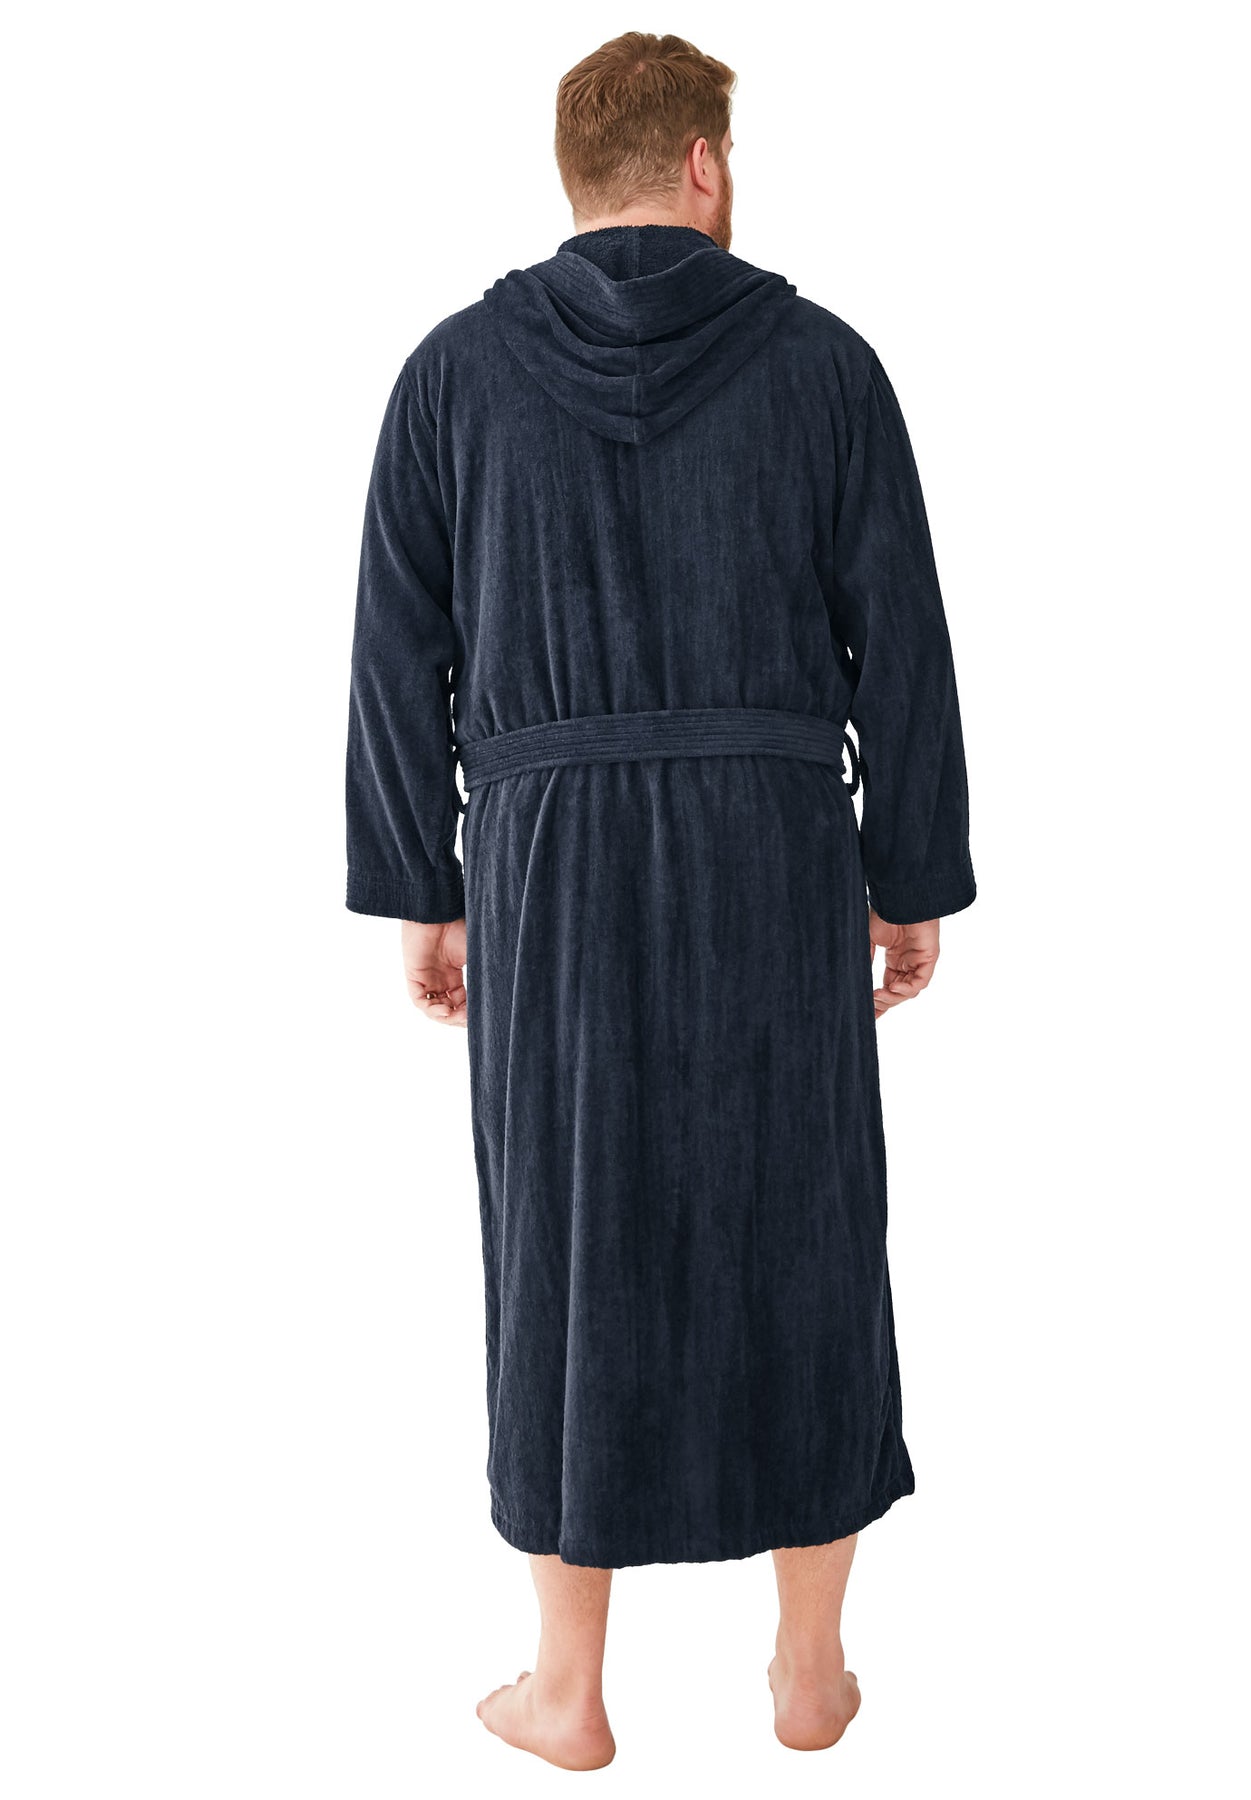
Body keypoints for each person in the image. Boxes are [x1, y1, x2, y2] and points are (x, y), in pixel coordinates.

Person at [344, 30, 975, 1771]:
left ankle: (567, 1693)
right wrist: (909, 875)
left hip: (545, 862)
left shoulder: (453, 378)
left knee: (566, 1238)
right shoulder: (827, 369)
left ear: (579, 170)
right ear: (702, 162)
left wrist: (424, 886)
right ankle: (809, 1674)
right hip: (776, 848)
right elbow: (903, 643)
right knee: (807, 1226)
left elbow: (397, 655)